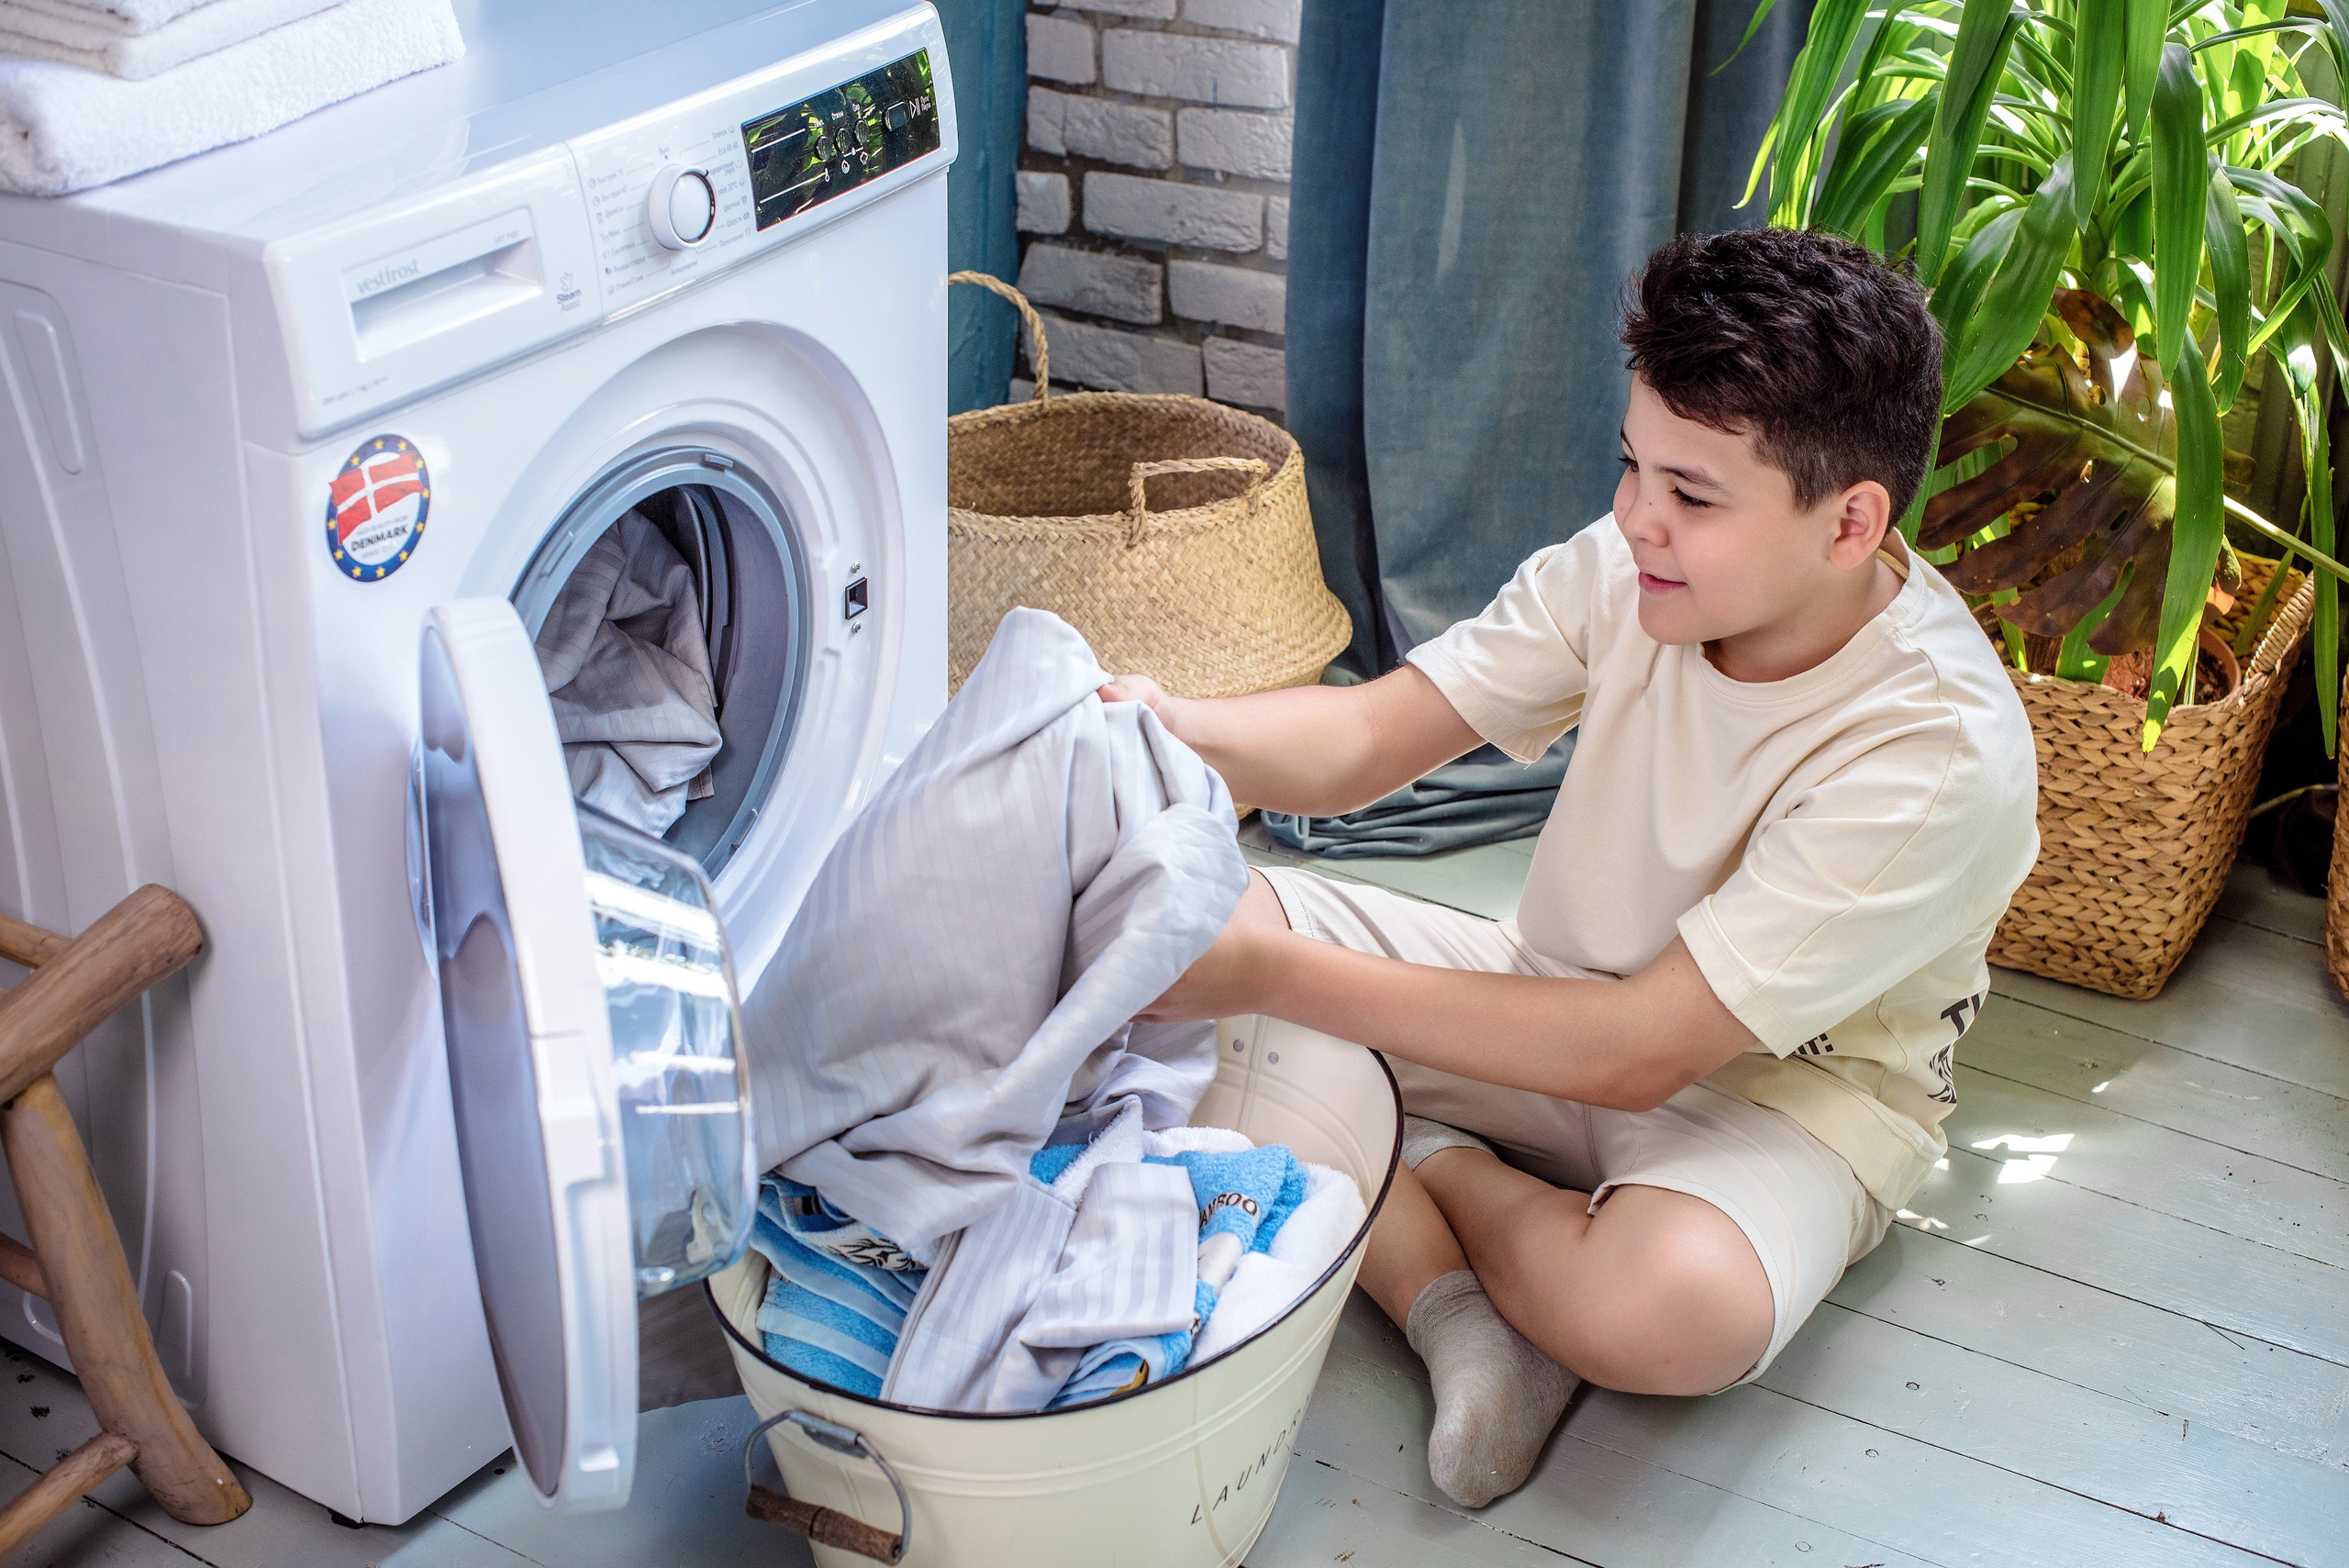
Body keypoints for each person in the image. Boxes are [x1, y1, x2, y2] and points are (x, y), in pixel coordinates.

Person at [1100, 227, 2040, 1508]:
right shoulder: (1632, 569)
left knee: (1669, 1306)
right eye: (1631, 465)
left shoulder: (1937, 749)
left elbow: (1644, 1049)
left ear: (1851, 522)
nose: (1636, 516)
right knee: (1154, 925)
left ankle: (1420, 1153)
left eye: (1693, 495)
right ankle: (1455, 1314)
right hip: (1543, 993)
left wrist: (1275, 973)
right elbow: (1369, 737)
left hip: (1781, 1103)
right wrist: (1165, 722)